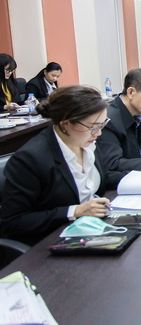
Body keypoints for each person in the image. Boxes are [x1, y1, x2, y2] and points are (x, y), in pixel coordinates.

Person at [0, 85, 111, 246]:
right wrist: (74, 211)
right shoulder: (31, 158)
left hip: (90, 228)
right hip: (51, 242)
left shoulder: (86, 142)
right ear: (65, 124)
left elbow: (103, 177)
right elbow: (13, 222)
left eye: (101, 125)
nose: (98, 133)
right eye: (93, 126)